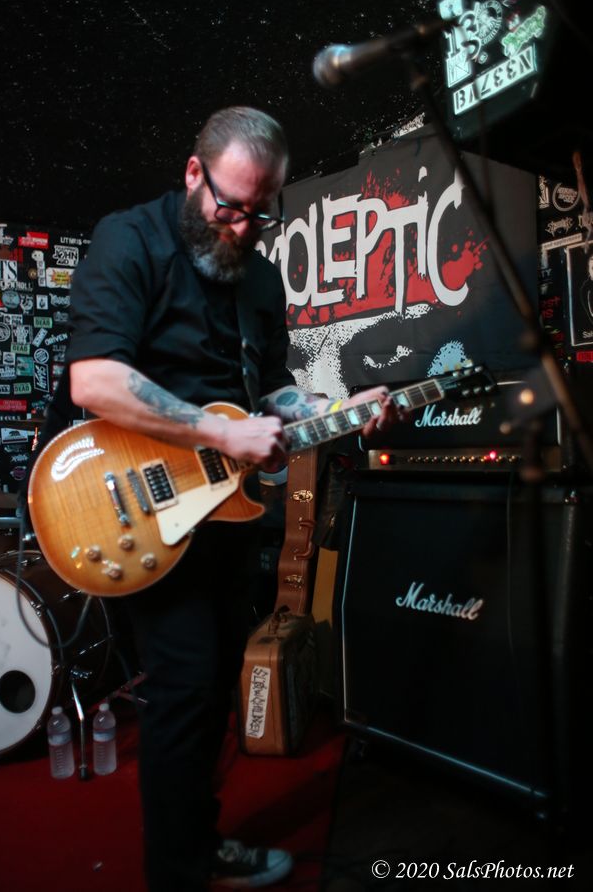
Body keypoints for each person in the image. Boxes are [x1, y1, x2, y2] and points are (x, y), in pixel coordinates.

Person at [62, 106, 395, 890]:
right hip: (135, 499)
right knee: (185, 690)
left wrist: (333, 410)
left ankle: (196, 843)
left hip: (226, 510)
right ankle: (178, 871)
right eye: (229, 206)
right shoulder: (129, 240)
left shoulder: (260, 278)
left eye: (260, 212)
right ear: (193, 173)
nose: (243, 227)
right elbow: (95, 379)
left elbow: (270, 389)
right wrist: (218, 432)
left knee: (212, 691)